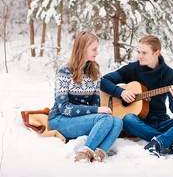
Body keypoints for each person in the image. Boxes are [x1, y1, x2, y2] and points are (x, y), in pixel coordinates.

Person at [100, 35, 173, 158]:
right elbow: (104, 81)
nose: (139, 56)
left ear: (156, 53)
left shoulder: (170, 75)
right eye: (139, 52)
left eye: (144, 53)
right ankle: (171, 143)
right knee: (127, 118)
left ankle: (158, 142)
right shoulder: (133, 69)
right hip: (139, 123)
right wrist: (121, 92)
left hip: (162, 121)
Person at [48, 31, 123, 162]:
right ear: (83, 48)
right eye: (94, 49)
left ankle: (98, 155)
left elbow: (95, 104)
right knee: (105, 119)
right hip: (60, 120)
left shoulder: (94, 73)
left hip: (81, 119)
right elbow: (64, 108)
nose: (97, 52)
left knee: (117, 121)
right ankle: (83, 154)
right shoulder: (64, 73)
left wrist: (96, 111)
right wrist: (96, 111)